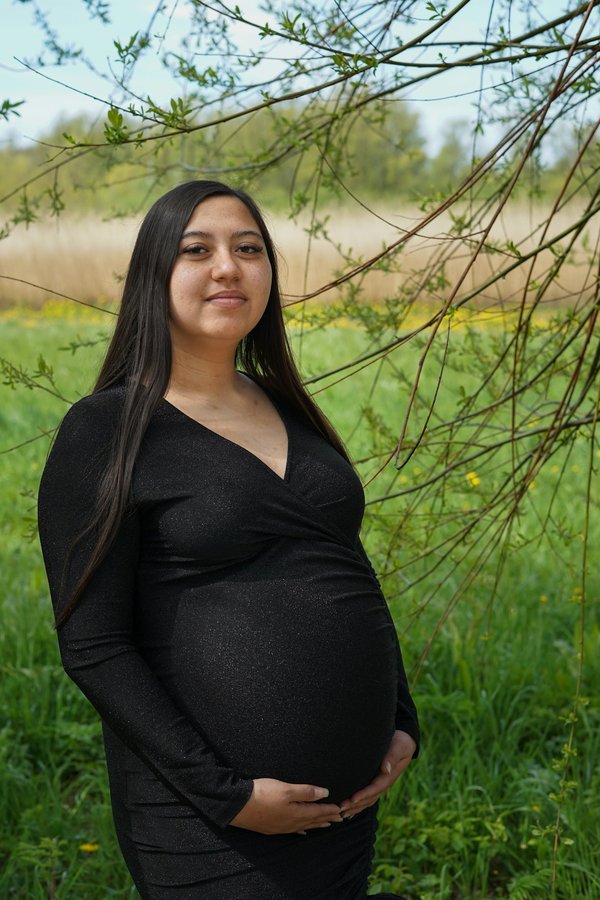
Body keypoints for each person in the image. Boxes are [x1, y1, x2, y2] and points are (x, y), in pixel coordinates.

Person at [37, 180, 419, 899]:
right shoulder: (106, 431)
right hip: (205, 825)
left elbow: (343, 567)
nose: (228, 267)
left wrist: (400, 717)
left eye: (249, 249)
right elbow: (93, 646)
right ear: (155, 274)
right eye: (197, 249)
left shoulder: (285, 405)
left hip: (344, 813)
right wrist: (226, 796)